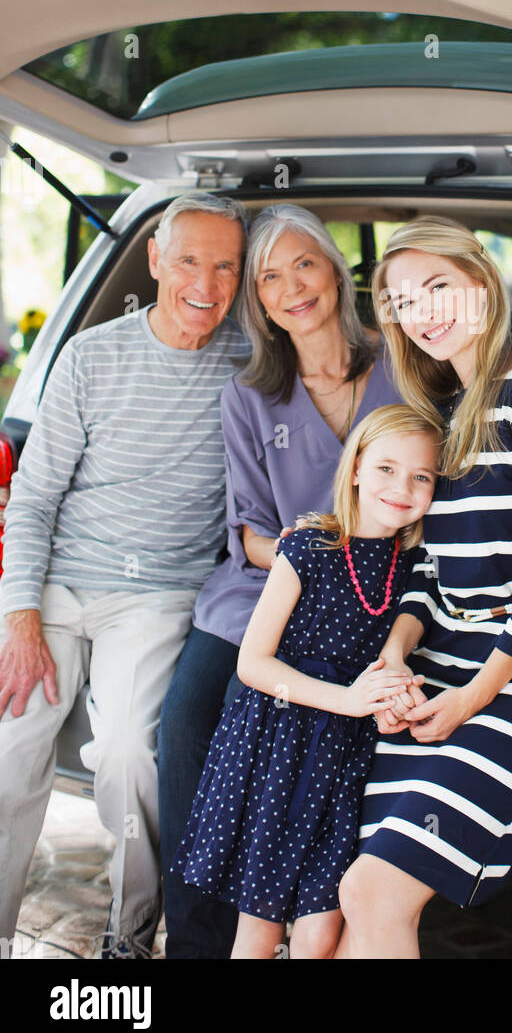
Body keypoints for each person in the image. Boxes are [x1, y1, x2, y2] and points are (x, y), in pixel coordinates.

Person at [335, 216, 512, 959]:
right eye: (402, 300)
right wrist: (395, 653)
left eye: (439, 287)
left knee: (373, 890)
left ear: (483, 283)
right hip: (442, 665)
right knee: (347, 884)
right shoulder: (445, 413)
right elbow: (428, 571)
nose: (424, 313)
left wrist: (471, 698)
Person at [0, 193, 249, 959]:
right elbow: (33, 499)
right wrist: (20, 620)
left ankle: (131, 933)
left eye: (226, 266)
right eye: (188, 261)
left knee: (130, 757)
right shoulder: (89, 356)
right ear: (154, 260)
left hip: (157, 595)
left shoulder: (250, 365)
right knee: (10, 743)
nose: (205, 282)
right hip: (56, 587)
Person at [158, 204, 400, 959]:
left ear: (334, 271)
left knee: (252, 713)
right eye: (269, 277)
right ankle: (200, 942)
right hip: (260, 590)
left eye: (305, 264)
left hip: (364, 598)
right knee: (185, 725)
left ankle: (278, 929)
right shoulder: (250, 393)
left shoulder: (399, 366)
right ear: (259, 301)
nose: (292, 287)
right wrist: (304, 557)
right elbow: (253, 530)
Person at [171, 403, 440, 959]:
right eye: (387, 468)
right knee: (261, 929)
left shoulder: (413, 566)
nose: (403, 486)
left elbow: (408, 631)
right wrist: (346, 699)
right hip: (276, 750)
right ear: (358, 467)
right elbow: (253, 663)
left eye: (422, 476)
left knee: (320, 932)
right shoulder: (307, 549)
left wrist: (392, 689)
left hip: (342, 761)